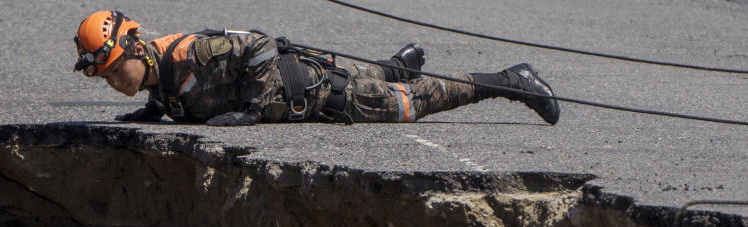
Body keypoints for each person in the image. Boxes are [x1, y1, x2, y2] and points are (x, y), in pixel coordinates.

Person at [73, 10, 560, 127]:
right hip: (307, 81)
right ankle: (398, 66)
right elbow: (183, 92)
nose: (115, 81)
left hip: (317, 94)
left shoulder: (185, 56)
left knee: (417, 104)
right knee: (376, 76)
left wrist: (253, 110)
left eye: (116, 69)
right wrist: (153, 110)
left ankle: (511, 81)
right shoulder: (159, 77)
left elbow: (258, 45)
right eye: (106, 77)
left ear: (135, 47)